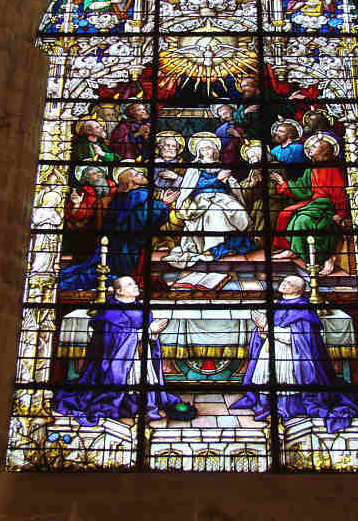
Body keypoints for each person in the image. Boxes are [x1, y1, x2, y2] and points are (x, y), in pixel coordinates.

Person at [231, 275, 358, 433]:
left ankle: (286, 408)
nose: (283, 284)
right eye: (284, 282)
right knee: (266, 377)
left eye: (288, 283)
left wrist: (266, 326)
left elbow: (296, 339)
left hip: (290, 355)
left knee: (284, 380)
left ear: (298, 289)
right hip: (272, 351)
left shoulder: (303, 310)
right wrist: (261, 329)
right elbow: (270, 331)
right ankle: (267, 405)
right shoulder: (280, 304)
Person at [52, 276, 180, 426]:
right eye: (130, 284)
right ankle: (125, 405)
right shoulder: (110, 313)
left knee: (143, 379)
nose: (135, 286)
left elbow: (140, 334)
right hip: (116, 361)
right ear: (119, 291)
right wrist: (148, 331)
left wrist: (152, 334)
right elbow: (115, 339)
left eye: (135, 283)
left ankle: (144, 405)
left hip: (139, 355)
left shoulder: (140, 308)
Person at [59, 168, 179, 289]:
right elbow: (141, 220)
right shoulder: (138, 196)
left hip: (122, 245)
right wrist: (163, 204)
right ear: (130, 182)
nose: (142, 173)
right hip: (128, 248)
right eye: (137, 174)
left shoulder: (124, 197)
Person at [162, 134, 255, 268]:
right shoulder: (194, 167)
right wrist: (217, 179)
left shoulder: (221, 166)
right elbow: (193, 186)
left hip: (223, 197)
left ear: (214, 150)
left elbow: (231, 187)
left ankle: (233, 245)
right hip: (202, 200)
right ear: (198, 152)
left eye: (208, 148)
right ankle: (217, 249)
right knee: (214, 212)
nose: (206, 151)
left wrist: (229, 181)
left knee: (237, 209)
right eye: (202, 149)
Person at [271, 135, 348, 275]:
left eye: (314, 147)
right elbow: (303, 188)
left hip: (328, 205)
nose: (309, 149)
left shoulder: (333, 169)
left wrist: (340, 214)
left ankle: (323, 258)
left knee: (302, 220)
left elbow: (340, 193)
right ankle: (292, 249)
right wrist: (283, 183)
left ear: (324, 152)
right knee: (285, 213)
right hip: (314, 203)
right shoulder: (311, 169)